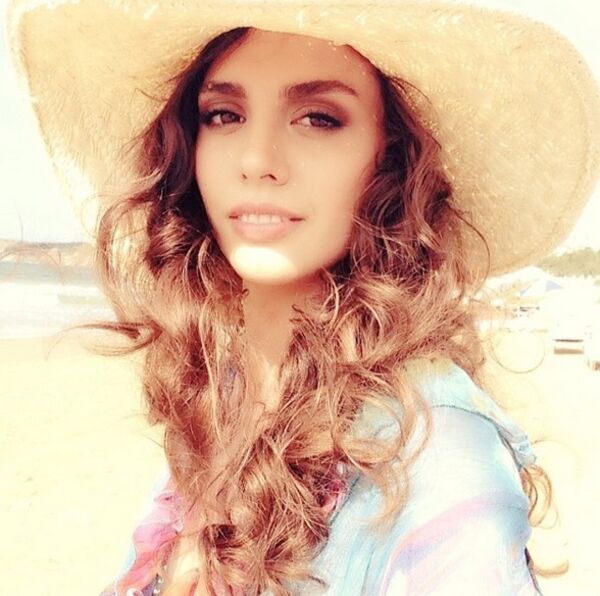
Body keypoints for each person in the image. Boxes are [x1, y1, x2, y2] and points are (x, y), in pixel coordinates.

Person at [6, 1, 600, 594]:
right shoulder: (226, 397)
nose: (256, 160)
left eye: (318, 118)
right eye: (223, 114)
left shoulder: (438, 460)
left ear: (391, 159)